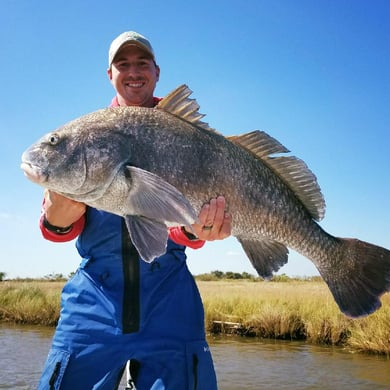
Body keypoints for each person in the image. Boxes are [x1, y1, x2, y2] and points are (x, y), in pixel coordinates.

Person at [38, 31, 231, 390]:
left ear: (157, 71)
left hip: (170, 297)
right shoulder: (88, 135)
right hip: (94, 297)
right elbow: (56, 227)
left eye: (142, 63)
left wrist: (196, 230)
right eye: (122, 64)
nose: (133, 71)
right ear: (109, 74)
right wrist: (57, 214)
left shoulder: (187, 132)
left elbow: (182, 231)